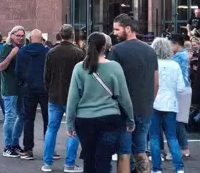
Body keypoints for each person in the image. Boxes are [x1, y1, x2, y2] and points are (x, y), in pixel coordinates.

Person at [66, 32, 135, 173]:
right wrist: (130, 118)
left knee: (89, 159)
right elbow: (124, 96)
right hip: (109, 117)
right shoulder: (115, 67)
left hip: (84, 119)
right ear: (105, 47)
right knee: (104, 160)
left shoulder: (79, 68)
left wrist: (69, 123)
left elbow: (73, 98)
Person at [109, 14, 158, 173]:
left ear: (128, 29)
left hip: (124, 109)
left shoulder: (116, 50)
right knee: (141, 150)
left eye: (117, 29)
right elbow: (156, 81)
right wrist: (150, 101)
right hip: (145, 107)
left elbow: (112, 81)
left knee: (124, 153)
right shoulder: (150, 50)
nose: (114, 32)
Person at [42, 24, 85, 173]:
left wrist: (50, 90)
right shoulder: (79, 53)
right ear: (72, 35)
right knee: (73, 130)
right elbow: (83, 77)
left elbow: (46, 76)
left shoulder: (51, 52)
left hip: (54, 95)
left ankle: (47, 163)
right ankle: (70, 164)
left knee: (51, 129)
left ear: (60, 35)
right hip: (73, 98)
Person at [148, 37, 185, 173]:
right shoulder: (174, 65)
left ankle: (156, 168)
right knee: (172, 136)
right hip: (170, 104)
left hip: (153, 103)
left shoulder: (151, 64)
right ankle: (179, 167)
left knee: (154, 137)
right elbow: (181, 87)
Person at [16, 29, 50, 160]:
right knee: (48, 120)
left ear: (30, 39)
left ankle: (28, 149)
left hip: (28, 88)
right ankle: (49, 149)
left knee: (28, 119)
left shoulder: (22, 52)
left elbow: (18, 71)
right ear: (41, 39)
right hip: (45, 88)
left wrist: (22, 84)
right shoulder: (47, 51)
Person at [0, 25, 26, 157]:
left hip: (21, 88)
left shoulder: (23, 49)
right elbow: (0, 67)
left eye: (22, 36)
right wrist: (11, 55)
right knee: (10, 116)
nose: (20, 38)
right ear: (12, 35)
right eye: (18, 35)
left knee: (22, 116)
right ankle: (7, 146)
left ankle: (15, 144)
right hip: (10, 88)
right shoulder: (6, 47)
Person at [169, 34, 191, 158]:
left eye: (171, 44)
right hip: (185, 88)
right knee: (178, 119)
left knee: (177, 120)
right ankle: (183, 147)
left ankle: (183, 148)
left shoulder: (179, 57)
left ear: (176, 43)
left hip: (180, 89)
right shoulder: (184, 55)